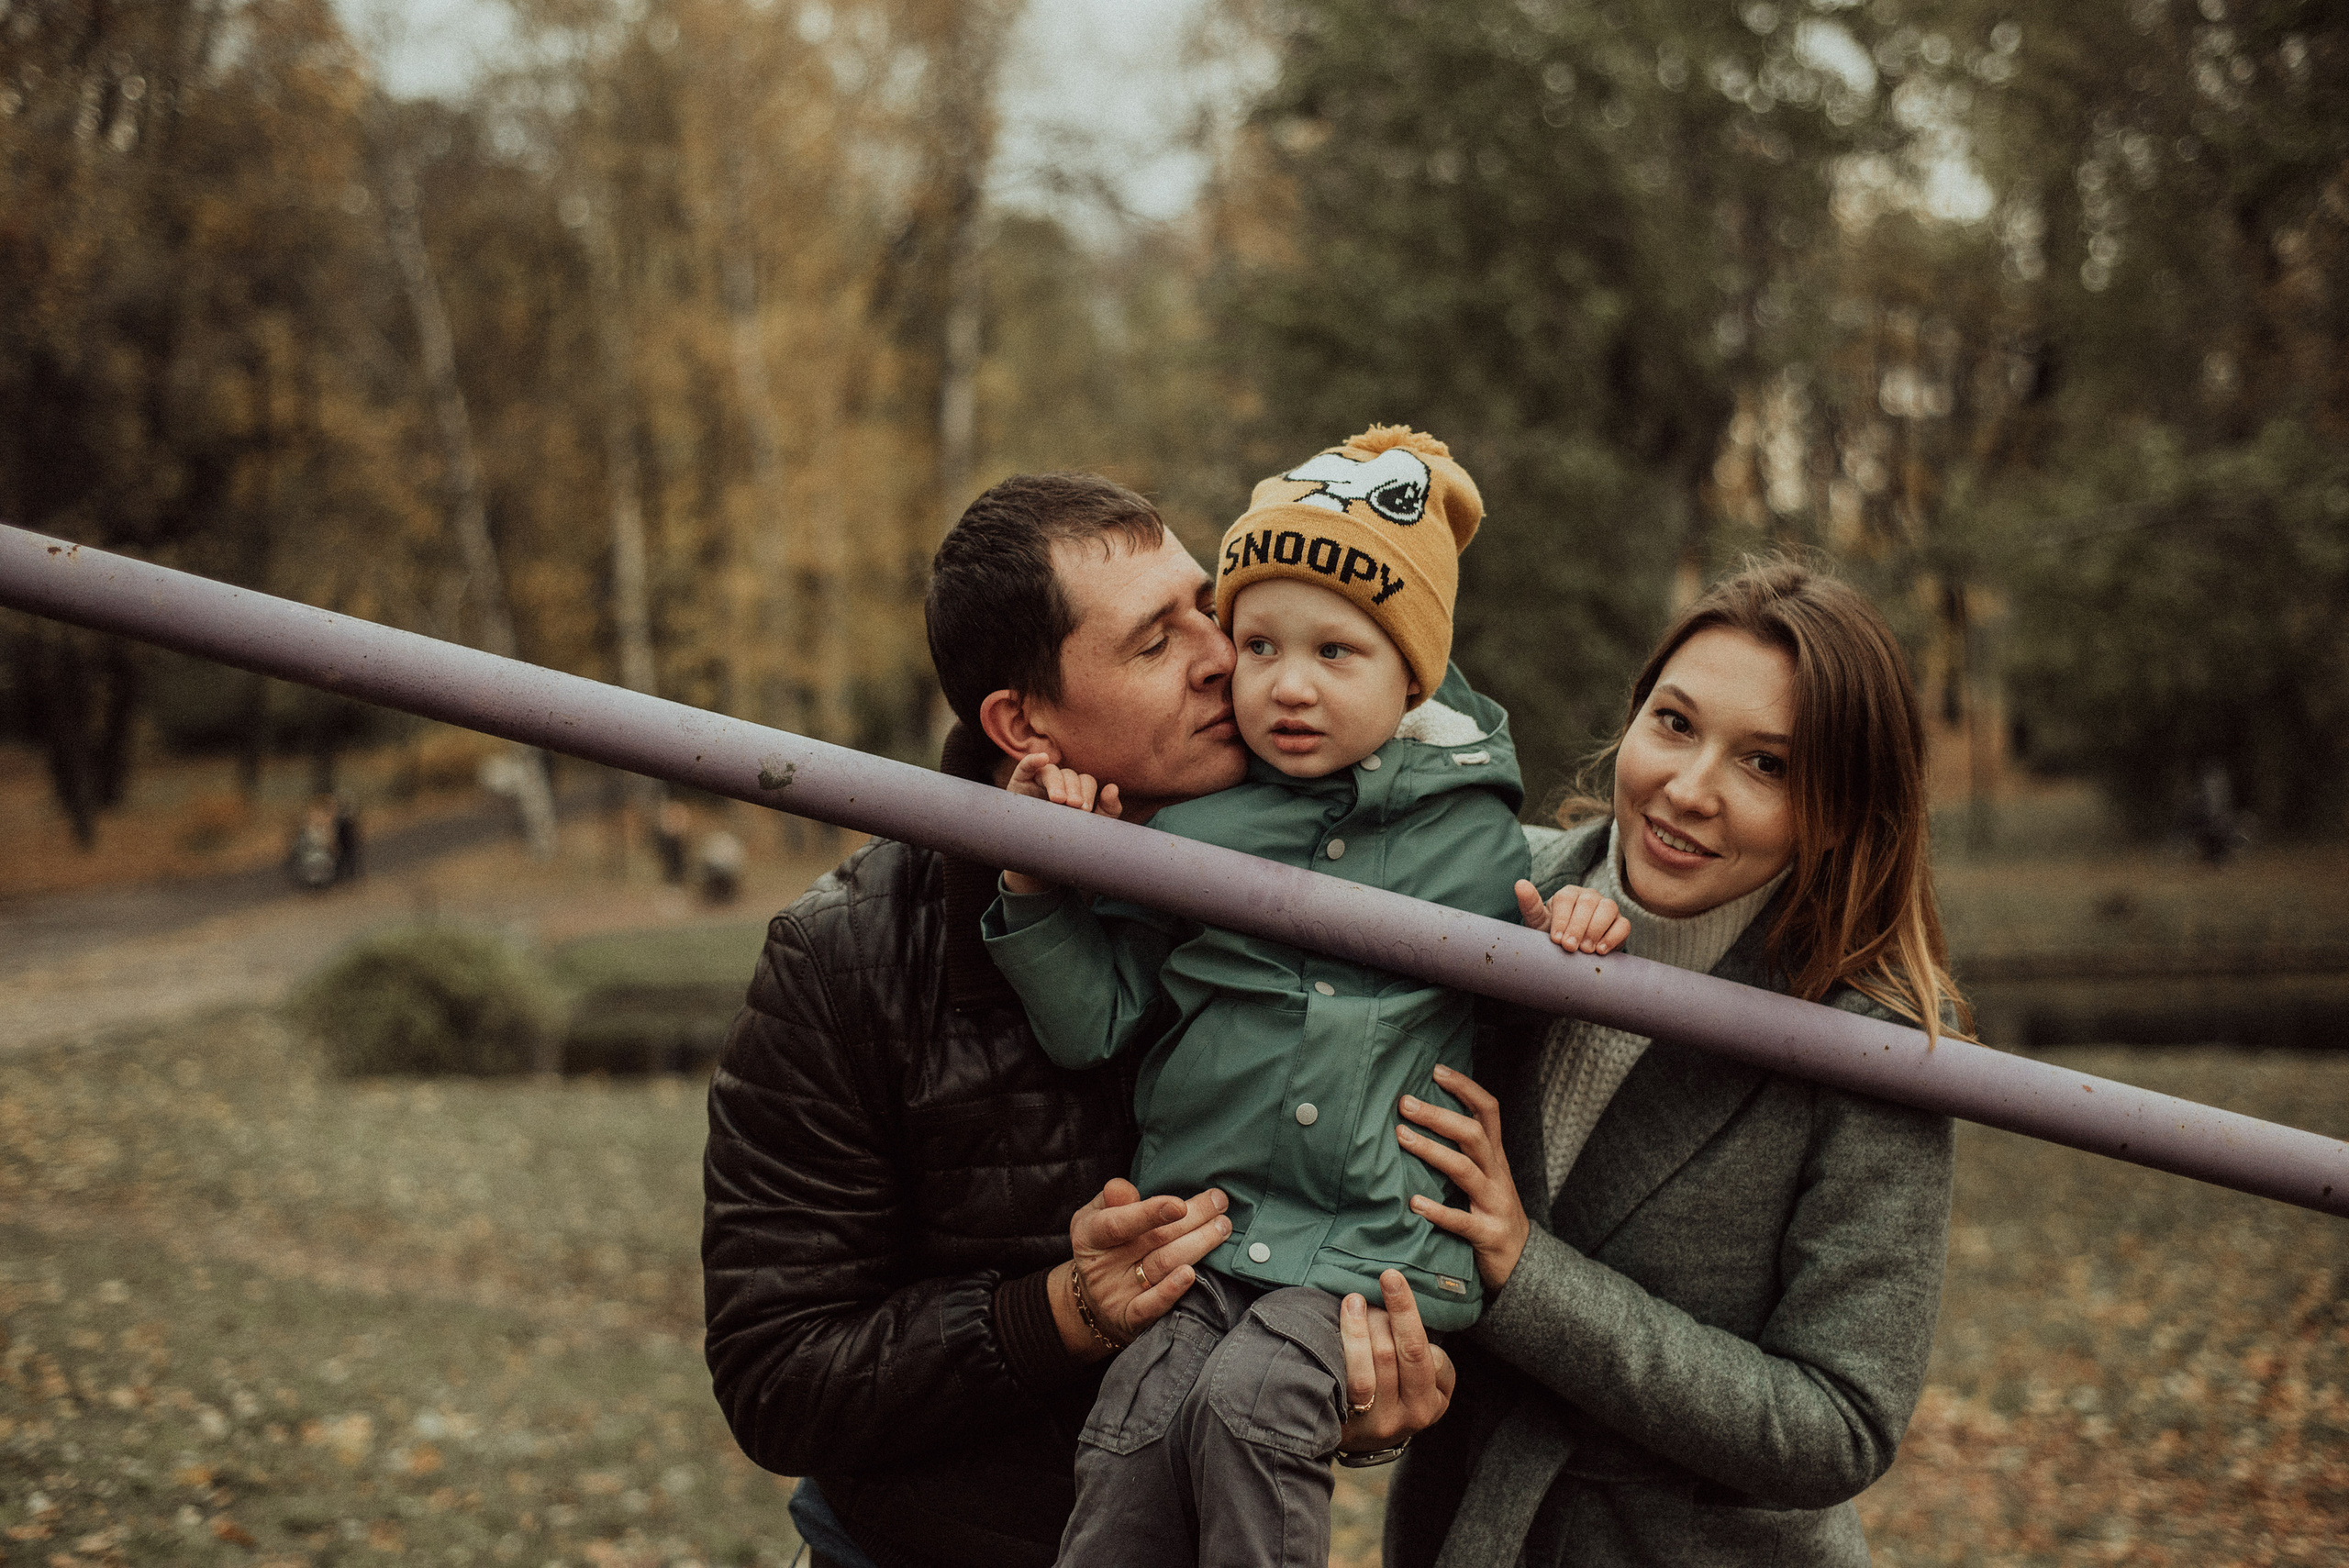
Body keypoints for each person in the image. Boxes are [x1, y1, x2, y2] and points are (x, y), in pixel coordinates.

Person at [700, 473, 1455, 1568]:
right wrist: (1060, 1311)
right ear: (1022, 722)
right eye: (1155, 643)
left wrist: (1364, 1380)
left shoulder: (1351, 887)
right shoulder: (846, 956)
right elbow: (779, 1379)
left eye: (1207, 605)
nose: (1220, 653)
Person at [982, 428, 1574, 1568]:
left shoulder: (1477, 835)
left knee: (1251, 1410)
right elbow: (1092, 1019)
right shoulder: (1190, 829)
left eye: (1336, 653)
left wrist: (1576, 927)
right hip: (1211, 1240)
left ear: (1413, 674)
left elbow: (1546, 968)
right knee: (1132, 1425)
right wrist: (1040, 881)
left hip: (1366, 1251)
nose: (1283, 684)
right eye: (1256, 643)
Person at [1382, 559, 1968, 1568]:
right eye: (1675, 723)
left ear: (1837, 807)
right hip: (1459, 1529)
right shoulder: (1478, 892)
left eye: (1767, 765)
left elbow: (1838, 1422)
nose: (1688, 789)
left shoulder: (1871, 1035)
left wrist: (1530, 1276)